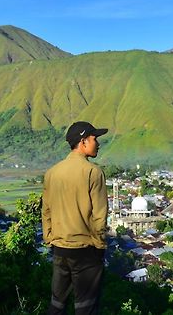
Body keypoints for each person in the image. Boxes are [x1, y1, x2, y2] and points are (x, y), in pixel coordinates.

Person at [42, 121, 109, 315]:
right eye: (95, 139)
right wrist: (99, 245)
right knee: (85, 307)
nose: (98, 143)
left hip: (60, 248)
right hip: (85, 249)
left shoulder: (52, 173)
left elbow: (46, 210)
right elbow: (99, 215)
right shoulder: (93, 172)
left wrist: (49, 238)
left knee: (57, 303)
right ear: (83, 141)